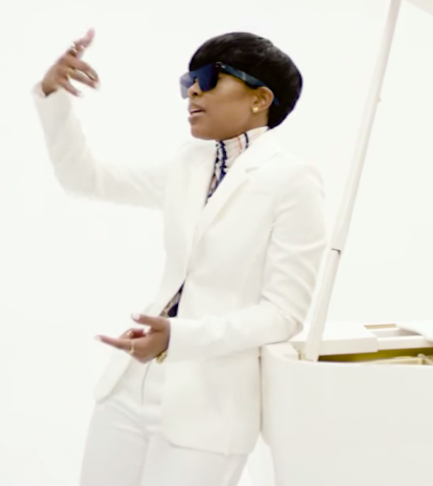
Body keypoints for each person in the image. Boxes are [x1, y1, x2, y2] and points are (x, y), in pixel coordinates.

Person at [34, 29, 327, 486]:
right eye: (188, 80)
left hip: (209, 407)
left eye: (209, 77)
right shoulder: (190, 163)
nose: (193, 91)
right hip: (131, 388)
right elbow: (85, 178)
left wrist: (179, 337)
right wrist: (54, 98)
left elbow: (284, 314)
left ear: (260, 98)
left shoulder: (293, 182)